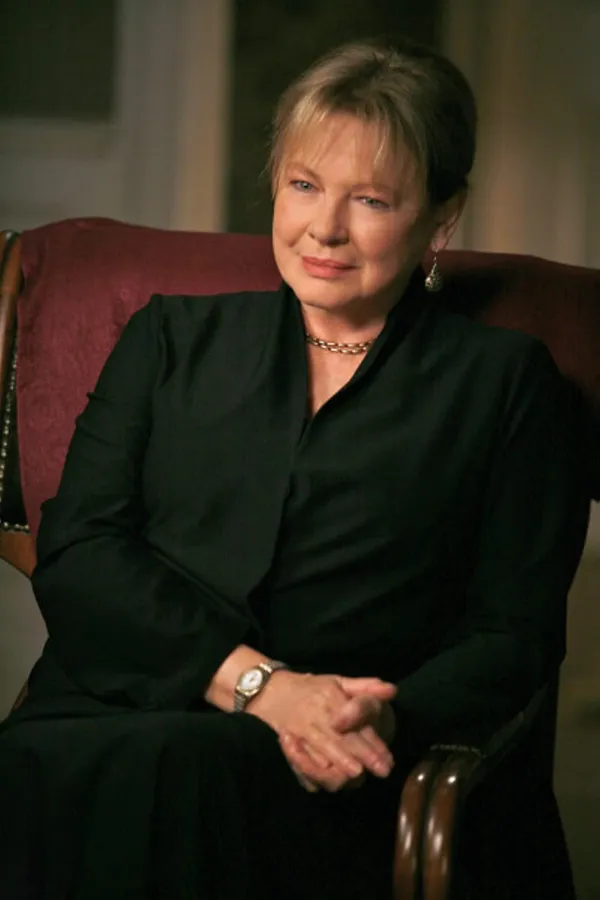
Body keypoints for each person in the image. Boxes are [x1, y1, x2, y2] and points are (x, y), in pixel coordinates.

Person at [0, 38, 589, 900]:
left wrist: (381, 714)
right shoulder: (169, 339)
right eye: (305, 185)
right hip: (115, 708)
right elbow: (81, 552)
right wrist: (262, 686)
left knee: (179, 776)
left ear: (441, 216)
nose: (325, 228)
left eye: (371, 199)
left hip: (336, 764)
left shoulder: (506, 385)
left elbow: (514, 633)